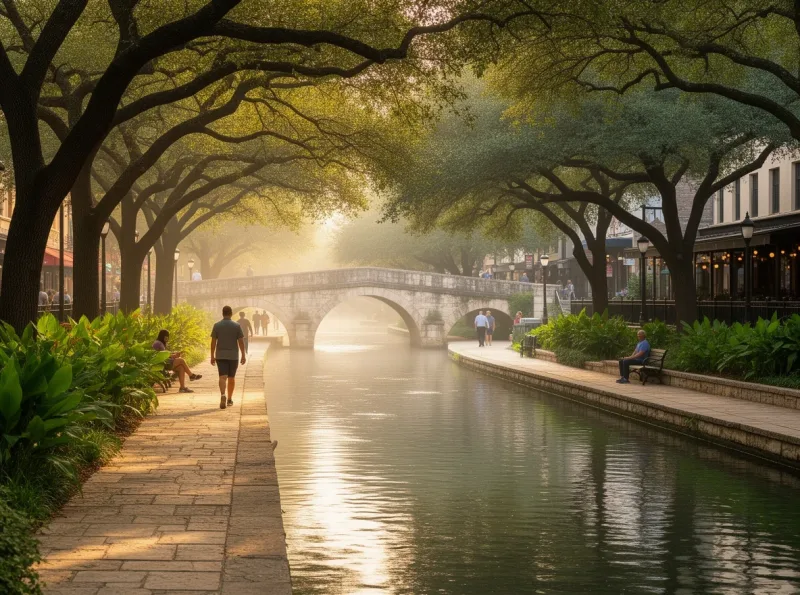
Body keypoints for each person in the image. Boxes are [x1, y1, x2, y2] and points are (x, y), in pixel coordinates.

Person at [211, 305, 246, 409]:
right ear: (231, 314)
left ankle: (223, 395)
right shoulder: (237, 326)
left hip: (220, 355)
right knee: (231, 378)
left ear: (223, 313)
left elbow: (213, 342)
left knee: (222, 377)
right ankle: (230, 399)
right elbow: (241, 342)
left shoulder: (217, 325)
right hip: (233, 356)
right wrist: (243, 355)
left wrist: (212, 356)